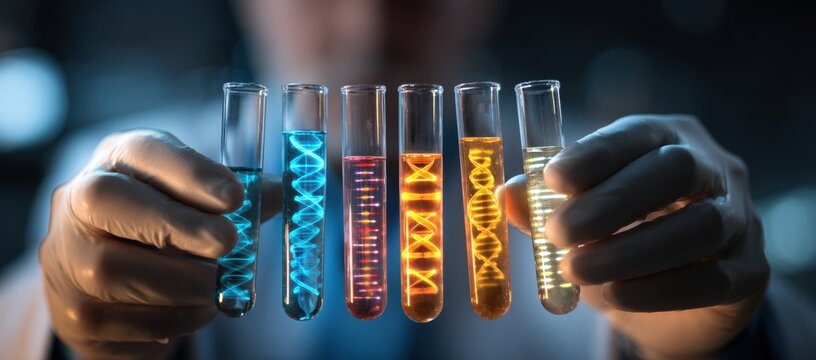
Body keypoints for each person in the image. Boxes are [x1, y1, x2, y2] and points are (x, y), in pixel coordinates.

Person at [1, 0, 814, 359]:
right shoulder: (118, 169)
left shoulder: (594, 173)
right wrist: (69, 340)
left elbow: (786, 330)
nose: (368, 21)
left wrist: (734, 340)